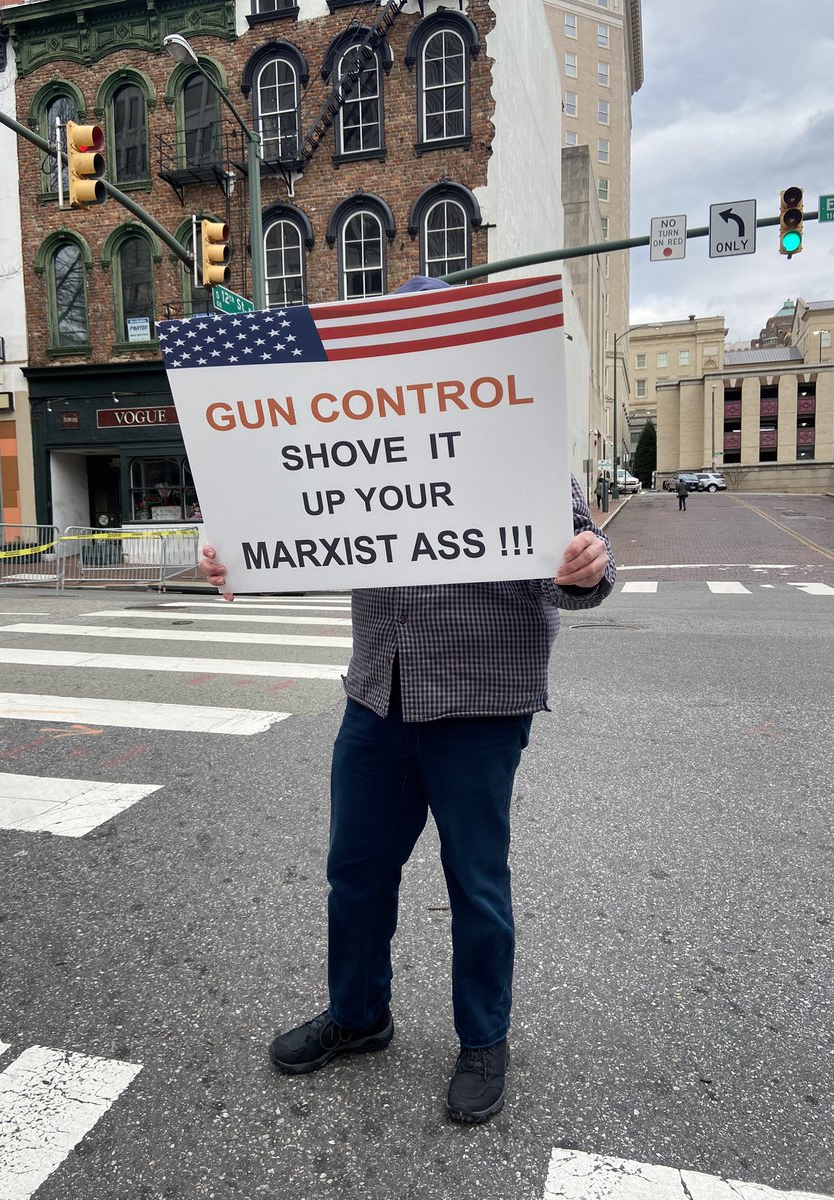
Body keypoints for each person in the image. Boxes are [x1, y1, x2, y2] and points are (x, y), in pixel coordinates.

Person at [199, 277, 616, 1124]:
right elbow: (302, 518)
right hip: (377, 694)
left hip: (481, 699)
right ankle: (359, 1016)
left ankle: (484, 1039)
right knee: (355, 873)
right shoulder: (354, 429)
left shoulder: (513, 431)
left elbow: (587, 560)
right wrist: (238, 553)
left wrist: (587, 567)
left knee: (476, 881)